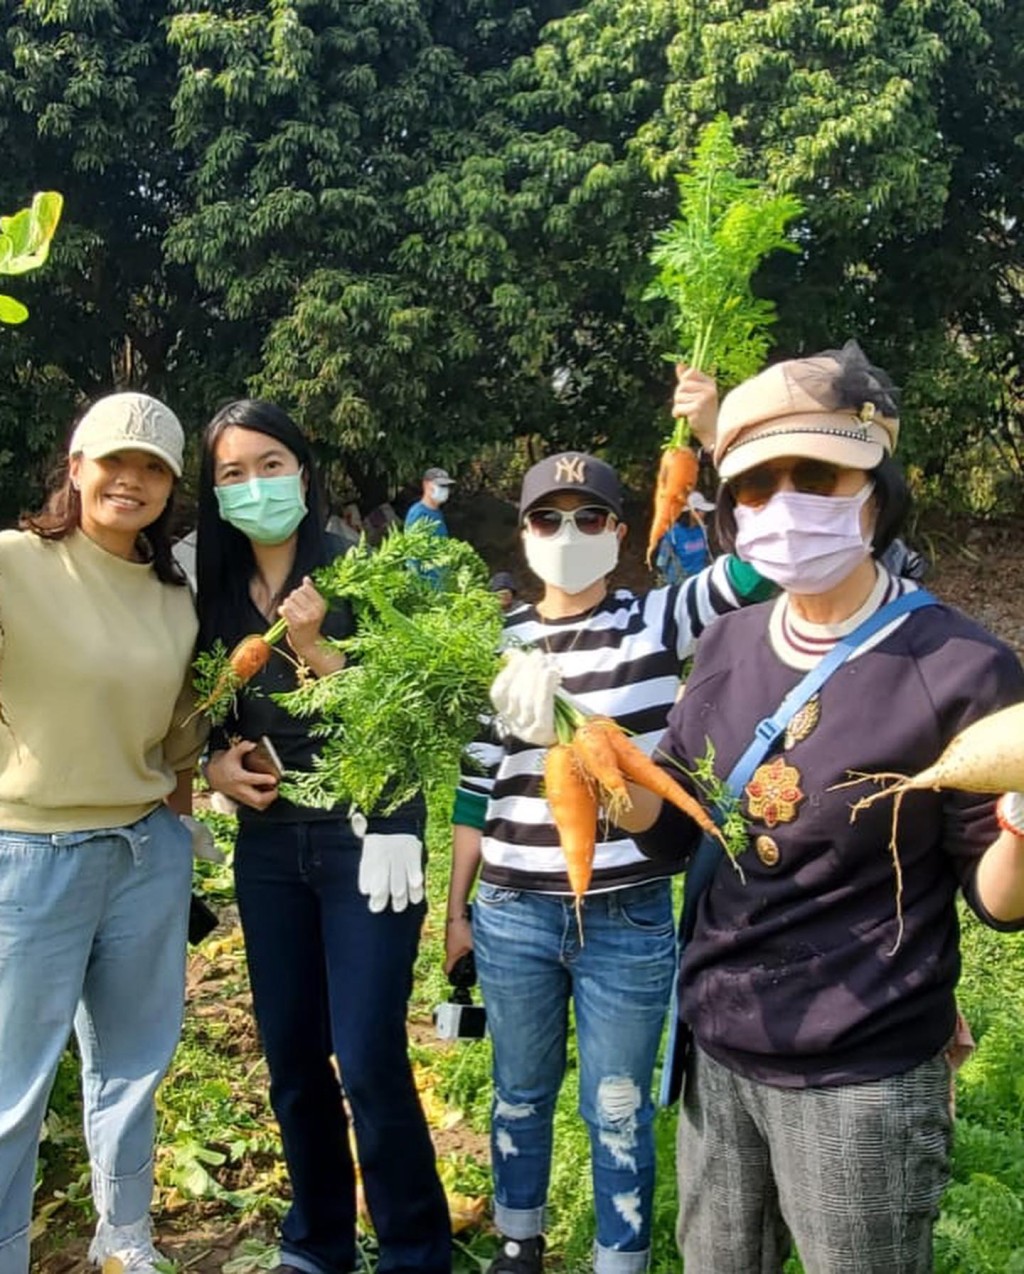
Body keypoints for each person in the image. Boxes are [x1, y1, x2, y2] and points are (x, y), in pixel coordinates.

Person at [620, 342, 1024, 1273]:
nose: (783, 503)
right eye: (757, 485)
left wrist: (1017, 824)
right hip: (717, 1048)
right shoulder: (723, 644)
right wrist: (598, 768)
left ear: (875, 490)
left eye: (818, 475)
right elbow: (680, 829)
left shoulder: (959, 667)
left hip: (860, 1073)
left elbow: (1000, 903)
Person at [445, 369, 774, 1274]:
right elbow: (478, 787)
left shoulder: (661, 620)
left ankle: (617, 1255)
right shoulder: (493, 646)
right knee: (517, 1091)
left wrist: (714, 434)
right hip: (511, 911)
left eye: (590, 518)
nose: (567, 534)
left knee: (620, 1099)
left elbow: (764, 563)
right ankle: (519, 1241)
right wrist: (456, 909)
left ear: (621, 534)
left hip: (627, 913)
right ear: (523, 532)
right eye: (547, 519)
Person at [195, 400, 451, 1274]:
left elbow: (405, 718)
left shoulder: (361, 573)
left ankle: (415, 1250)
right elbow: (205, 714)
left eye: (271, 465)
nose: (254, 485)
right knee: (294, 1055)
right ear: (214, 490)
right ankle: (318, 1242)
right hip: (268, 849)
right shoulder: (218, 591)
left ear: (304, 472)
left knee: (371, 1054)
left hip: (361, 837)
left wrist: (317, 650)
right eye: (233, 473)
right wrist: (214, 769)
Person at [0, 392, 208, 1274]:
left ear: (170, 489)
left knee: (133, 1065)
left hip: (144, 854)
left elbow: (180, 741)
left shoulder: (173, 597)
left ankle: (124, 1238)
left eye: (153, 466)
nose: (132, 479)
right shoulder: (13, 563)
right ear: (75, 467)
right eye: (115, 460)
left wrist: (188, 844)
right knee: (13, 1088)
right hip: (30, 856)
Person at [653, 490, 714, 585]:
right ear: (691, 512)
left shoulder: (703, 531)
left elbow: (708, 556)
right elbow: (662, 562)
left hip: (699, 583)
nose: (703, 513)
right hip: (679, 584)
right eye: (700, 510)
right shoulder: (673, 533)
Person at [404, 467, 454, 536]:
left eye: (446, 486)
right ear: (426, 485)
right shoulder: (419, 513)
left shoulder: (437, 512)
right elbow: (414, 543)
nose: (444, 489)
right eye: (441, 485)